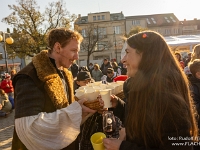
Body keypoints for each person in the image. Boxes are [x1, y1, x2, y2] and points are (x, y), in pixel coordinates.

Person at [103, 31, 198, 150]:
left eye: (127, 52)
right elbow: (145, 123)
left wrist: (123, 147)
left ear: (146, 56)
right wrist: (119, 106)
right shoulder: (141, 89)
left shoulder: (168, 99)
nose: (123, 60)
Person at [11, 28, 98, 150]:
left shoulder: (66, 73)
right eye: (73, 50)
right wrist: (77, 111)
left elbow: (67, 110)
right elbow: (28, 126)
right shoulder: (29, 76)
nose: (77, 57)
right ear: (58, 48)